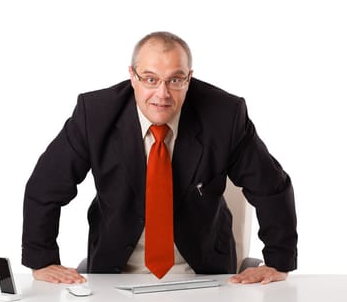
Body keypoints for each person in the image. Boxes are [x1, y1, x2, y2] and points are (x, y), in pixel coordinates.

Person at [21, 31, 297, 285]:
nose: (162, 94)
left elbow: (271, 187)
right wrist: (42, 260)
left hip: (204, 275)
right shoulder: (94, 115)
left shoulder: (224, 115)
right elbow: (46, 186)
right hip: (115, 275)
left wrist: (278, 261)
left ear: (189, 78)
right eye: (150, 79)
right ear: (133, 76)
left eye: (175, 80)